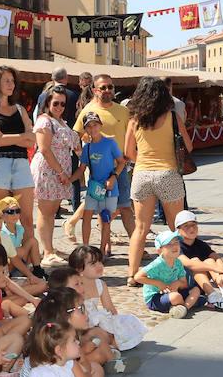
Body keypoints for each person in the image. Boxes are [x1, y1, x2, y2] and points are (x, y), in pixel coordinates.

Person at [124, 76, 191, 284]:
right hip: (168, 173)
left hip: (142, 174)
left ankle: (132, 274)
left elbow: (127, 151)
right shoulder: (172, 117)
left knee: (141, 228)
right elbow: (188, 146)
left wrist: (143, 162)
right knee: (175, 227)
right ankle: (178, 271)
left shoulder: (134, 120)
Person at [69, 73, 133, 243]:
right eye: (103, 87)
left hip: (120, 167)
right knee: (102, 209)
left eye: (110, 87)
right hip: (98, 170)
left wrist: (131, 155)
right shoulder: (89, 110)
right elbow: (76, 135)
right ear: (95, 90)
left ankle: (137, 246)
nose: (107, 90)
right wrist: (84, 158)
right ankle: (106, 245)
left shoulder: (123, 110)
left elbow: (132, 135)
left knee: (125, 207)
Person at [0, 65, 37, 244]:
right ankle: (0, 258)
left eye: (12, 81)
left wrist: (7, 137)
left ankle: (29, 257)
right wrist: (22, 137)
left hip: (20, 163)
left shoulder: (19, 109)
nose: (11, 85)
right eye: (6, 81)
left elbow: (32, 140)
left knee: (26, 217)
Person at [31, 84, 82, 265]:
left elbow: (75, 145)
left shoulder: (61, 122)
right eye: (56, 104)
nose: (59, 107)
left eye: (62, 104)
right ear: (47, 103)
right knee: (45, 212)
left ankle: (49, 248)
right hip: (48, 170)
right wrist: (60, 171)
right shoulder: (44, 121)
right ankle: (47, 252)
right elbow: (44, 149)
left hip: (61, 172)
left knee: (52, 212)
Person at [68, 245, 146, 355]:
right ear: (79, 269)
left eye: (100, 262)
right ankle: (108, 350)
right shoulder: (75, 287)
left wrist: (116, 325)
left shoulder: (100, 284)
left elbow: (109, 307)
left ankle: (111, 346)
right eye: (93, 264)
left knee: (123, 326)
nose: (99, 266)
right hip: (84, 323)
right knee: (99, 334)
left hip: (98, 318)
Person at [74, 111, 125, 258]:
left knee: (106, 219)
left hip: (109, 188)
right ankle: (85, 249)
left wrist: (114, 177)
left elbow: (121, 162)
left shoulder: (110, 143)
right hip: (93, 188)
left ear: (100, 125)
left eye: (95, 125)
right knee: (87, 215)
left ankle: (102, 251)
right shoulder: (87, 148)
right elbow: (81, 168)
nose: (92, 129)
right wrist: (69, 180)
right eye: (88, 126)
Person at [136, 230, 203, 318]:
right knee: (177, 297)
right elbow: (138, 277)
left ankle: (183, 308)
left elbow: (184, 284)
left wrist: (178, 283)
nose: (175, 246)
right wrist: (159, 284)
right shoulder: (157, 264)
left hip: (173, 291)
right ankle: (187, 305)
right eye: (169, 244)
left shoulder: (178, 263)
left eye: (176, 242)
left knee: (196, 290)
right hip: (155, 297)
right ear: (160, 250)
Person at [172, 209, 223, 299]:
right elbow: (189, 264)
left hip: (200, 282)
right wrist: (215, 268)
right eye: (186, 226)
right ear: (178, 229)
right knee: (195, 262)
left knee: (210, 260)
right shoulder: (175, 245)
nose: (191, 228)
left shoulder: (200, 244)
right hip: (181, 283)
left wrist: (221, 273)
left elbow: (216, 257)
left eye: (193, 225)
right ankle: (212, 295)